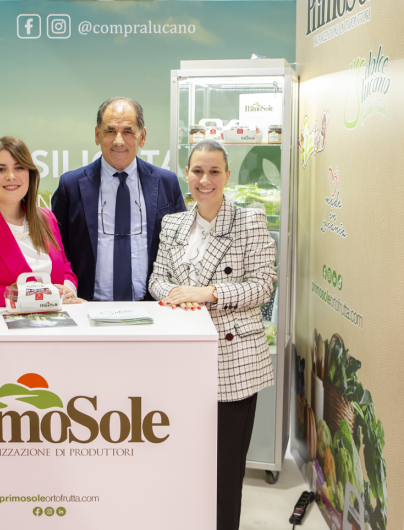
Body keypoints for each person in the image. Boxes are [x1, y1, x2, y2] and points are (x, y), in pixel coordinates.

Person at [149, 140, 276, 530]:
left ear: (227, 175)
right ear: (186, 174)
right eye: (198, 171)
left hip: (233, 361)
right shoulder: (173, 223)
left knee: (225, 469)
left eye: (214, 172)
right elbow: (156, 279)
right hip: (183, 358)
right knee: (184, 462)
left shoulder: (249, 220)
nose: (205, 180)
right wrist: (176, 294)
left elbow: (263, 286)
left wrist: (208, 293)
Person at [51, 97, 185, 301]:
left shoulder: (167, 183)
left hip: (154, 307)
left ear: (142, 136)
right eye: (110, 131)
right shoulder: (70, 186)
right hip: (86, 306)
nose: (119, 141)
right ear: (97, 135)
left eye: (128, 131)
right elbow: (56, 252)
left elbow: (181, 249)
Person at [0, 136, 82, 307]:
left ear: (30, 174)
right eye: (1, 169)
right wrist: (44, 297)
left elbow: (65, 268)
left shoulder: (46, 218)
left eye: (19, 167)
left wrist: (68, 288)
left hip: (57, 320)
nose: (11, 176)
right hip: (1, 323)